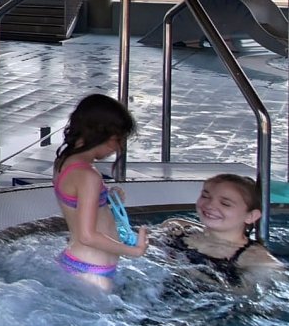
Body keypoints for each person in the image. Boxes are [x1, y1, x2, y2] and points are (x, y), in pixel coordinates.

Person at [53, 94, 148, 290]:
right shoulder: (88, 176)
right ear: (100, 133)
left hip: (79, 263)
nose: (119, 147)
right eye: (117, 140)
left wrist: (105, 198)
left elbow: (76, 205)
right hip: (93, 273)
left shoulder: (64, 162)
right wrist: (134, 251)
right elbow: (87, 236)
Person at [155, 174, 283, 292]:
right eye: (205, 196)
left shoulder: (255, 258)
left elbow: (250, 297)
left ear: (251, 216)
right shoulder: (175, 228)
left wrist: (194, 274)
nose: (210, 205)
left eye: (225, 203)